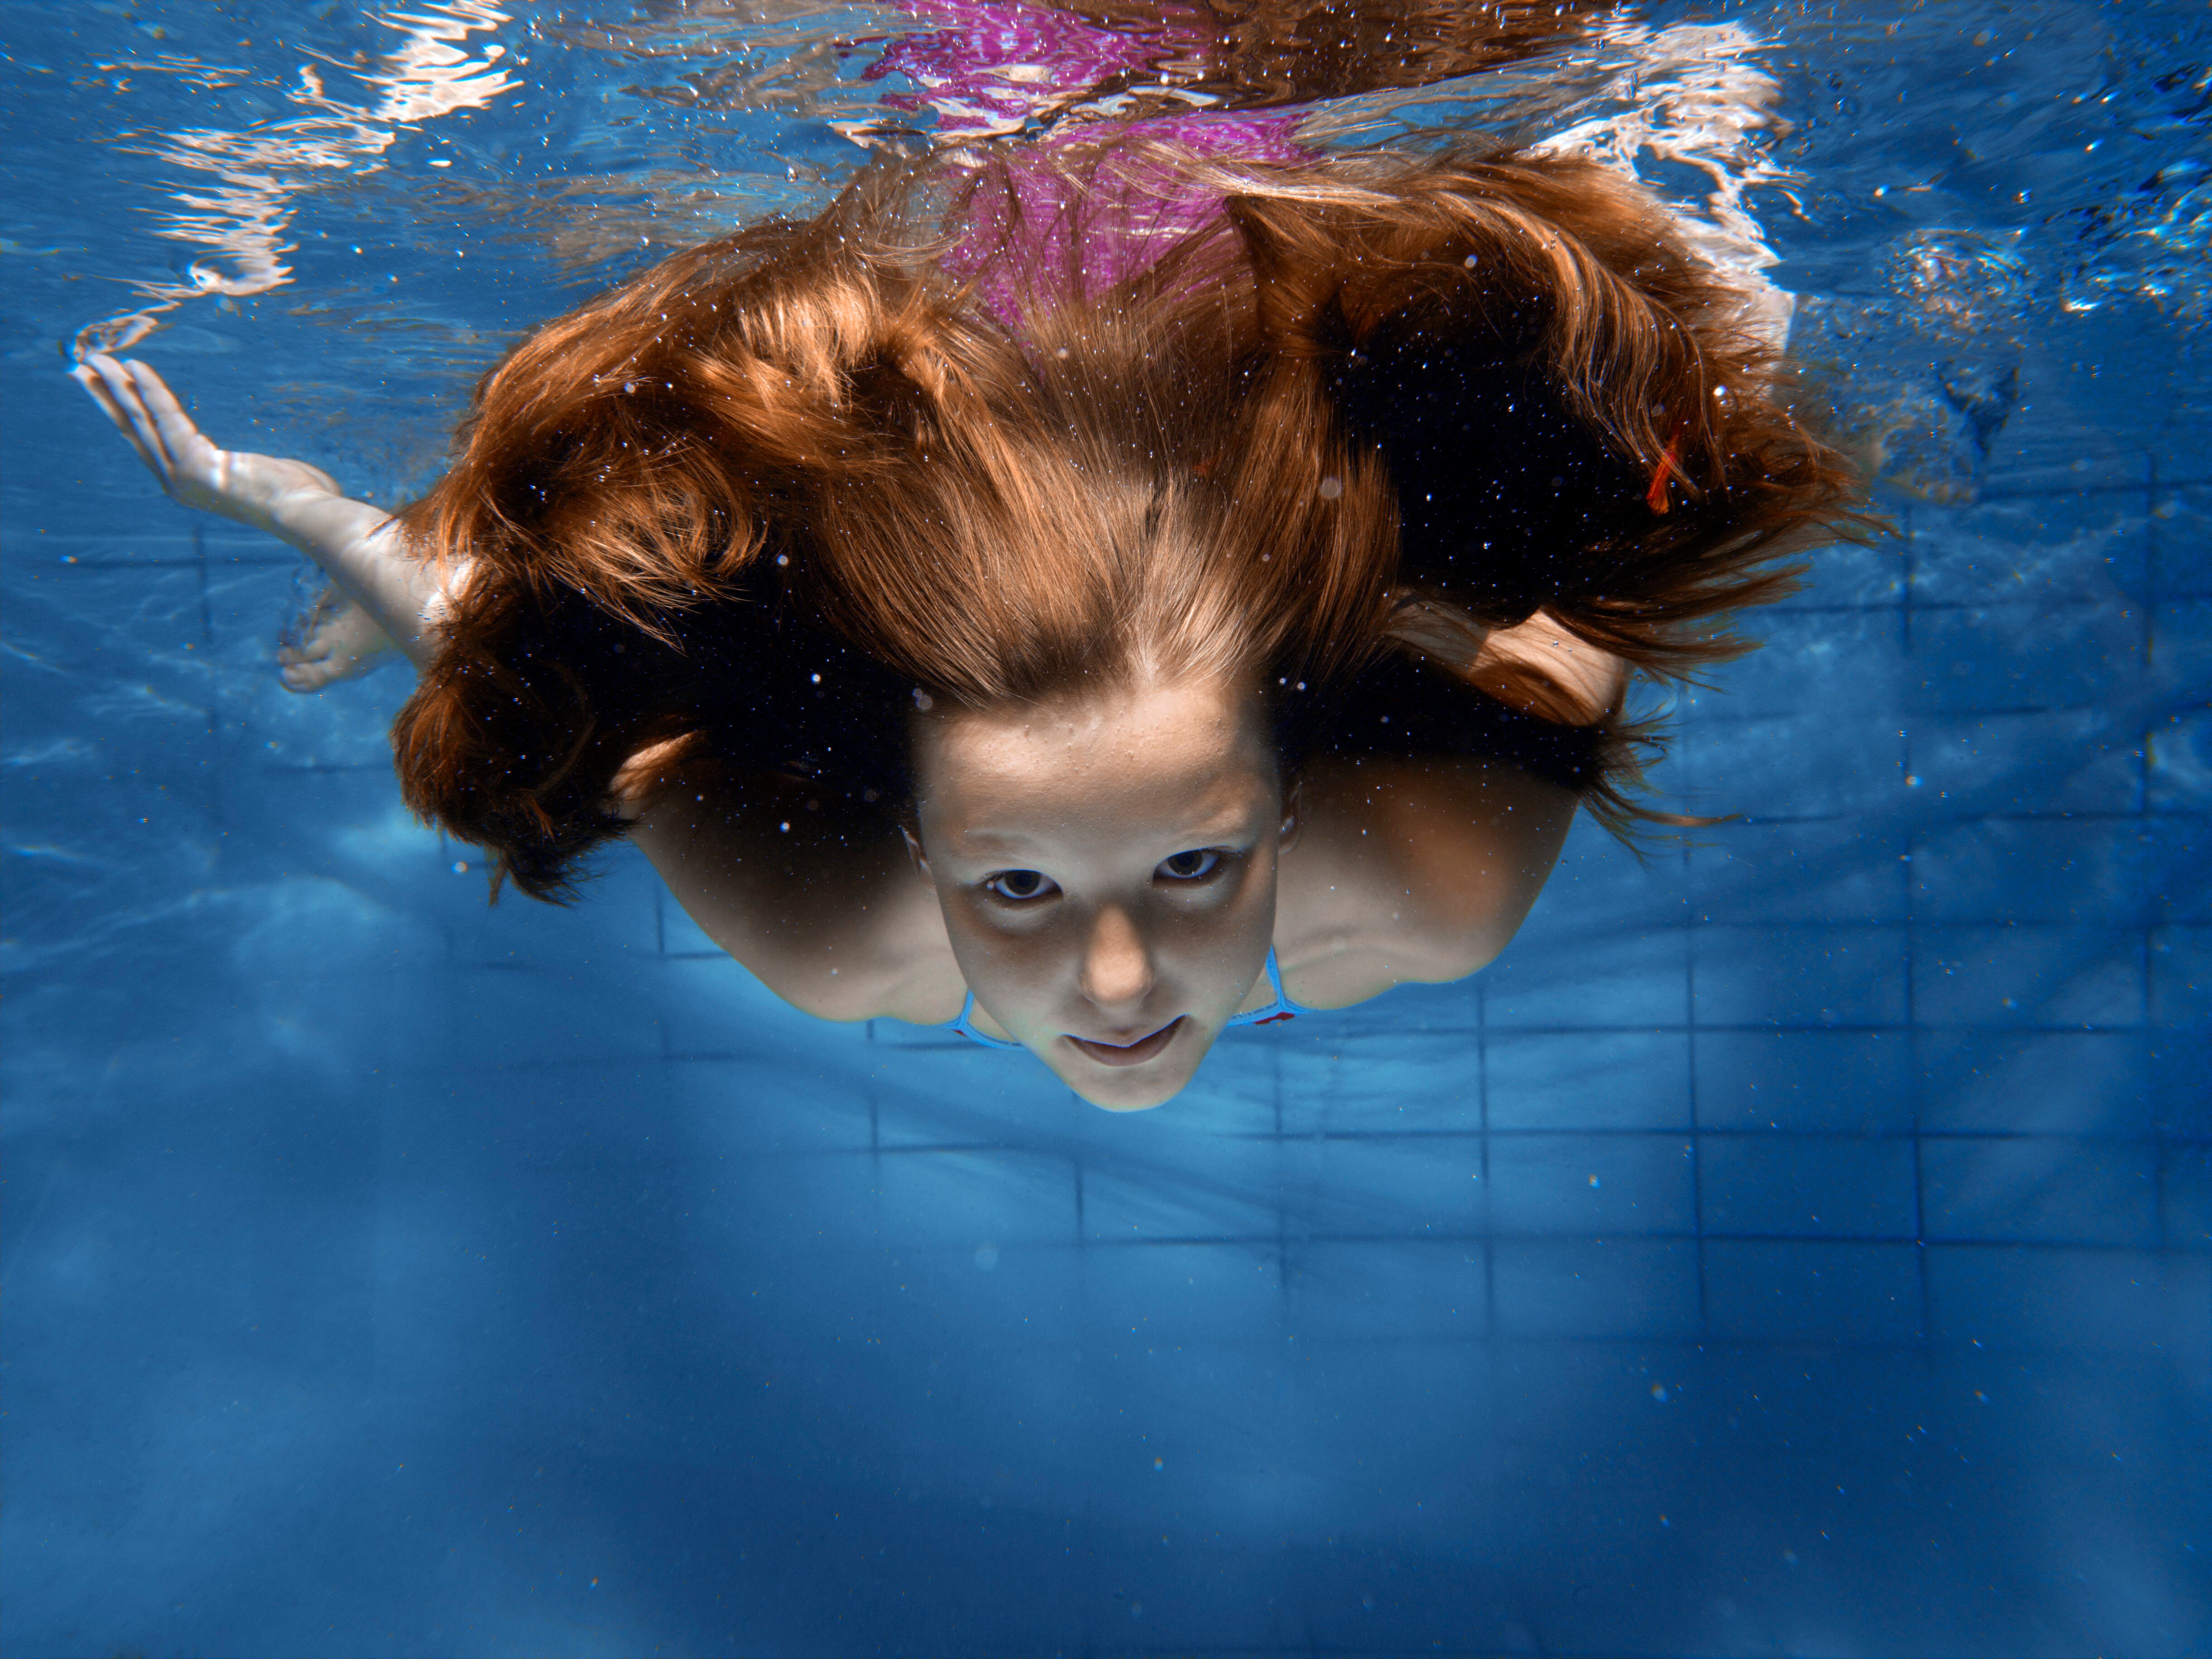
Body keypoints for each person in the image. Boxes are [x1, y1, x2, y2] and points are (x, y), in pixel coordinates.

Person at [74, 18, 1860, 1112]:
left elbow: (1619, 520)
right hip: (1133, 348)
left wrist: (315, 516)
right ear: (908, 821)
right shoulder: (1434, 887)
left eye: (1188, 859)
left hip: (1112, 345)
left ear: (1288, 802)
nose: (1117, 980)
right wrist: (333, 524)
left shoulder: (852, 939)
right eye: (1012, 886)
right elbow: (548, 662)